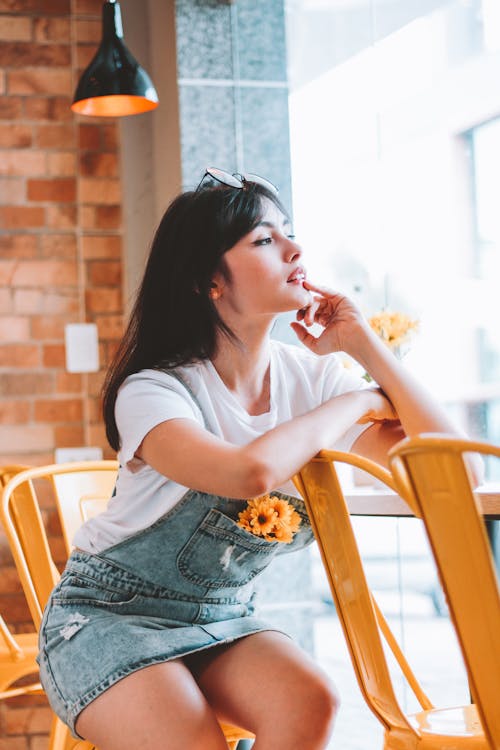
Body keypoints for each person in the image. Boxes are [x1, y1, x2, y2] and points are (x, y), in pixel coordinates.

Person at [37, 168, 479, 750]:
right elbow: (248, 474)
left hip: (223, 619)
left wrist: (364, 346)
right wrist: (357, 400)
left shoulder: (316, 380)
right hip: (108, 619)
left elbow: (458, 477)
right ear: (208, 281)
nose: (295, 249)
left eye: (288, 233)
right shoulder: (153, 391)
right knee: (188, 737)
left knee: (311, 701)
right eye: (264, 240)